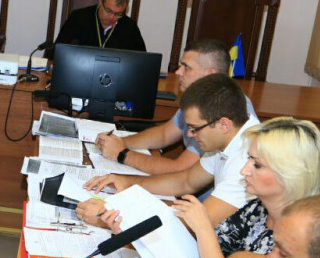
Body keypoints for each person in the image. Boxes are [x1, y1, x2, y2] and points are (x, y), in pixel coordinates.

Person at [79, 73, 259, 228]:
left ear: (223, 124)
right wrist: (125, 182)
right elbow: (186, 181)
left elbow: (197, 224)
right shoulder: (228, 137)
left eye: (195, 128)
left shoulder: (248, 162)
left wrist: (110, 217)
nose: (190, 134)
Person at [171, 117, 320, 258]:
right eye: (248, 159)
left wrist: (203, 227)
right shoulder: (258, 208)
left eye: (257, 165)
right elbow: (213, 248)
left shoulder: (301, 237)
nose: (244, 170)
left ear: (290, 174)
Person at [96, 39, 256, 175]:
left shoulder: (226, 107)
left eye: (186, 67)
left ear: (210, 74)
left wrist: (121, 154)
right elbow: (164, 134)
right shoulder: (199, 97)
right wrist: (120, 142)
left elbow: (180, 170)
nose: (178, 72)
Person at [54, 0, 145, 52]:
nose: (112, 17)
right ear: (101, 1)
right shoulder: (78, 17)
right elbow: (57, 52)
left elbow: (142, 61)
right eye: (108, 10)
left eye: (118, 14)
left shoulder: (130, 27)